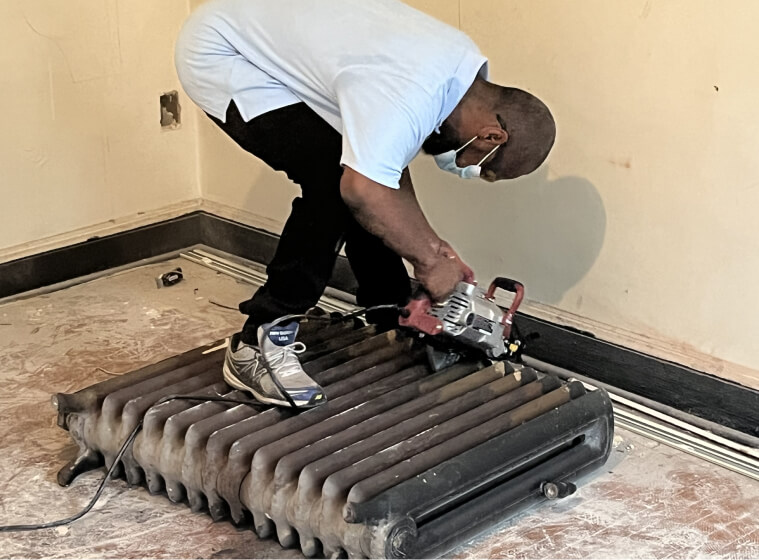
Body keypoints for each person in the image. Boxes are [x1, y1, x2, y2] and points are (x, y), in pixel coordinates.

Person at [175, 0, 556, 409]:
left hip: (260, 28)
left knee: (356, 180)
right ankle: (258, 341)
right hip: (226, 53)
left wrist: (433, 247)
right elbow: (363, 190)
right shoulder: (411, 93)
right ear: (491, 137)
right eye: (484, 167)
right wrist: (429, 263)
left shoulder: (455, 69)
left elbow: (384, 172)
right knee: (330, 184)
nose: (471, 170)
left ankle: (388, 306)